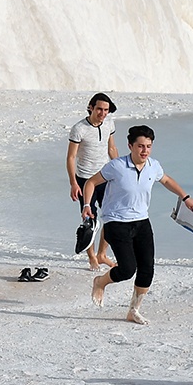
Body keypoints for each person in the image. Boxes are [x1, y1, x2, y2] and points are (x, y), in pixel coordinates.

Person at [80, 125, 193, 325]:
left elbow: (167, 180)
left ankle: (133, 310)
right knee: (127, 269)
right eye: (141, 146)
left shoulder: (153, 166)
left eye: (149, 147)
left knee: (147, 269)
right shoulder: (116, 166)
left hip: (142, 221)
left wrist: (185, 197)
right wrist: (86, 205)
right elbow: (90, 182)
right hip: (116, 221)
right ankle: (100, 282)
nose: (145, 151)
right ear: (130, 146)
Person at [66, 93, 119, 272]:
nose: (103, 113)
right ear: (91, 107)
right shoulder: (79, 128)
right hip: (85, 179)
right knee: (89, 219)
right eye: (99, 109)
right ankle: (91, 258)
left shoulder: (109, 123)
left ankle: (102, 254)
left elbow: (111, 147)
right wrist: (73, 182)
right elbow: (71, 157)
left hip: (105, 176)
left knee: (111, 217)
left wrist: (119, 172)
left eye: (106, 110)